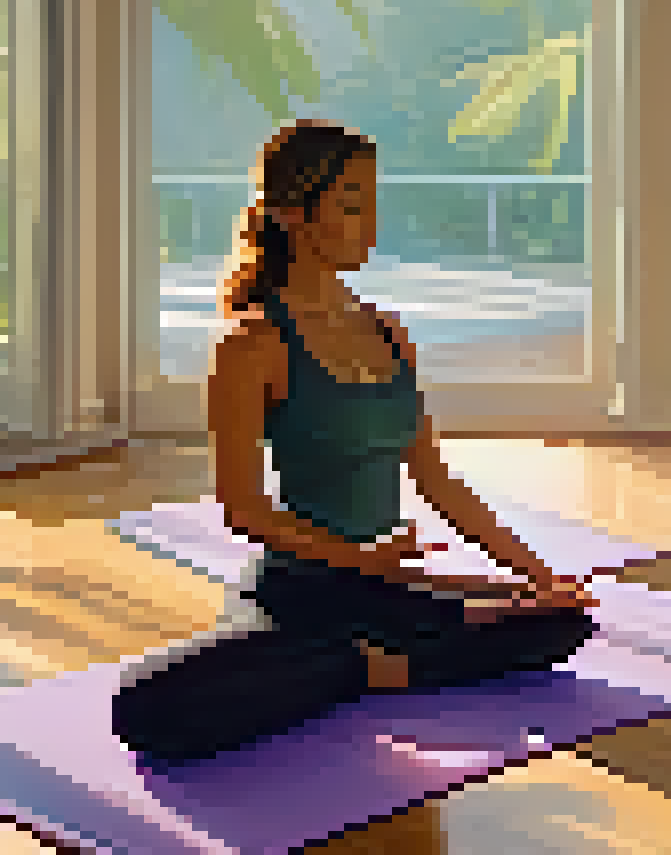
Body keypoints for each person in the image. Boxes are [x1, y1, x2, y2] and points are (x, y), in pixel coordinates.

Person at [113, 120, 599, 766]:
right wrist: (359, 558)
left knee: (562, 626)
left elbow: (435, 479)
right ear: (291, 216)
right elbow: (245, 510)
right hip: (302, 589)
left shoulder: (389, 333)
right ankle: (373, 665)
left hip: (385, 585)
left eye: (371, 204)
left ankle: (362, 666)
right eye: (348, 205)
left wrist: (539, 576)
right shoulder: (252, 345)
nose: (367, 225)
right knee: (149, 707)